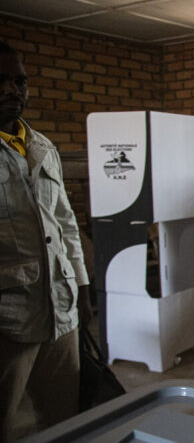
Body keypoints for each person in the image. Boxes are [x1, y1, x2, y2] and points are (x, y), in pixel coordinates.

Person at [0, 41, 91, 441]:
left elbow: (66, 223)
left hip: (62, 306)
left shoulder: (41, 147)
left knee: (64, 415)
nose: (12, 90)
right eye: (0, 81)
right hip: (9, 314)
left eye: (19, 80)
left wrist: (83, 285)